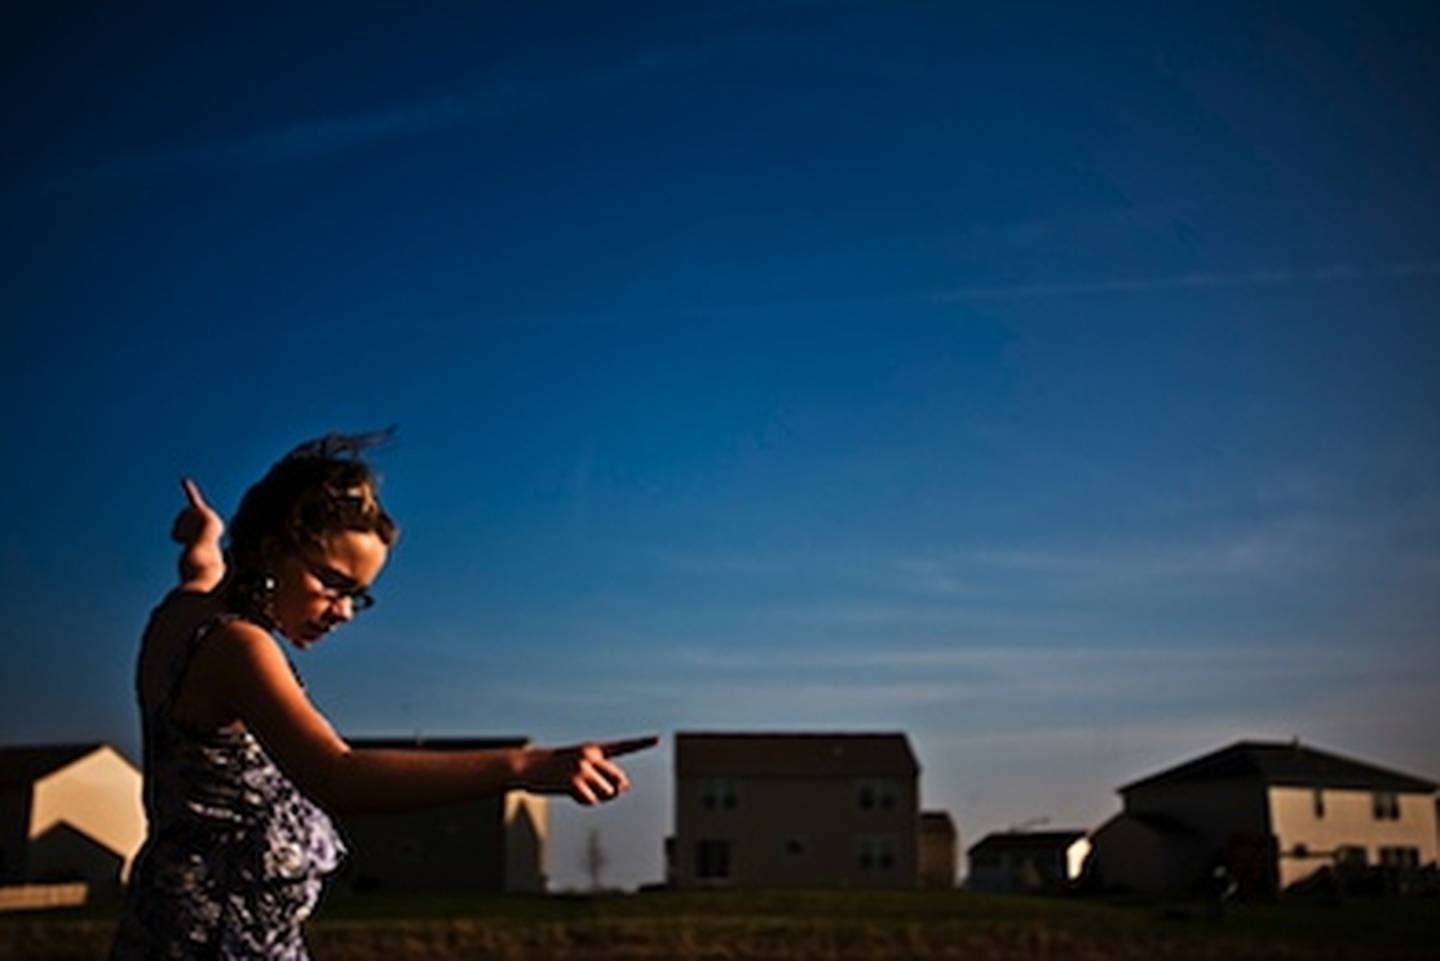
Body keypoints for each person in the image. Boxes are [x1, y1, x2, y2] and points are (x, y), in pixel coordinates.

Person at [110, 432, 654, 960]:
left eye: (358, 597)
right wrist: (525, 766)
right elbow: (337, 775)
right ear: (274, 545)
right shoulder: (239, 649)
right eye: (332, 584)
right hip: (219, 940)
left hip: (166, 924)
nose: (343, 612)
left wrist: (204, 534)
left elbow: (204, 567)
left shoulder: (181, 614)